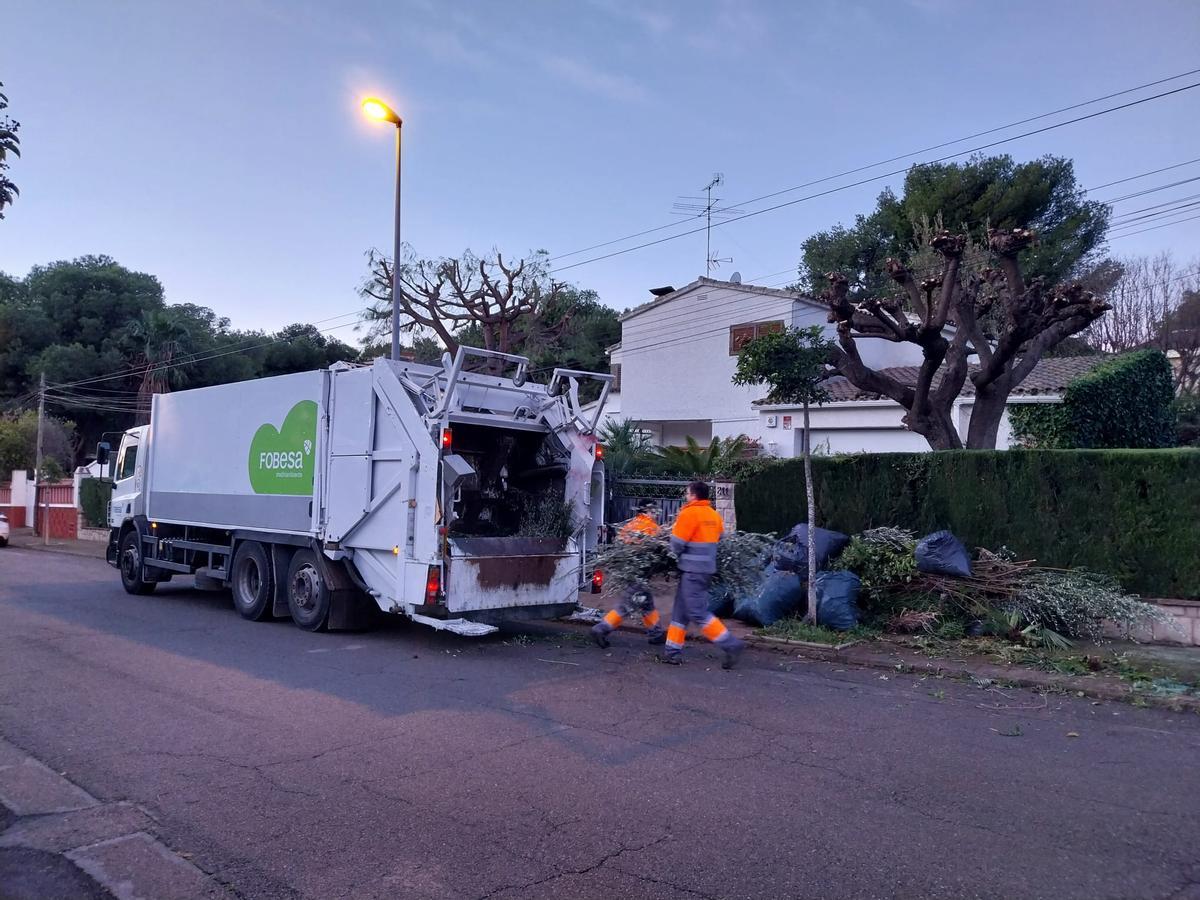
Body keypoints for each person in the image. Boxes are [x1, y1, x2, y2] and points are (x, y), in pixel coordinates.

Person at [663, 481, 744, 669]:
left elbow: (676, 544)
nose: (686, 496)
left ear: (694, 495)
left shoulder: (689, 513)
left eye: (687, 493)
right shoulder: (713, 515)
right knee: (680, 611)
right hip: (705, 571)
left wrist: (668, 552)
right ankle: (672, 651)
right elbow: (721, 538)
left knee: (697, 612)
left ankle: (730, 644)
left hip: (692, 571)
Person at [591, 503, 667, 648]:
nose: (656, 514)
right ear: (647, 511)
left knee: (646, 603)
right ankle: (601, 629)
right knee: (626, 606)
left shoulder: (630, 525)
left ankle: (656, 633)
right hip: (640, 574)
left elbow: (619, 545)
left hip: (628, 572)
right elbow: (659, 550)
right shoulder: (651, 528)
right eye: (654, 511)